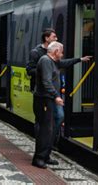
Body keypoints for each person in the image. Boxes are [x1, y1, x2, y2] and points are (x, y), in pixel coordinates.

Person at [26, 28, 91, 148]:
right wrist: (44, 71)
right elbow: (30, 70)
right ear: (47, 38)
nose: (56, 38)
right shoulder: (37, 53)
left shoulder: (54, 58)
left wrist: (79, 59)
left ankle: (50, 141)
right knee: (42, 120)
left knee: (59, 116)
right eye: (54, 37)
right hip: (43, 93)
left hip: (52, 93)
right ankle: (42, 143)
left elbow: (62, 63)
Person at [32, 41, 65, 169]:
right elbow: (46, 82)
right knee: (45, 130)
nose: (62, 55)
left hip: (48, 99)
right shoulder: (45, 61)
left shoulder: (50, 61)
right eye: (61, 52)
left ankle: (45, 156)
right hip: (43, 100)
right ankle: (39, 158)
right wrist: (56, 95)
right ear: (56, 51)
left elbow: (64, 63)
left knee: (49, 128)